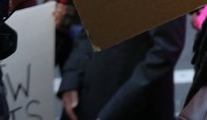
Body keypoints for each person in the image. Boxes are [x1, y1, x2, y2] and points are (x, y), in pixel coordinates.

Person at [58, 15, 186, 120]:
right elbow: (88, 25)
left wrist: (116, 109)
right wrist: (71, 77)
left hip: (129, 105)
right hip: (84, 101)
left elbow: (165, 51)